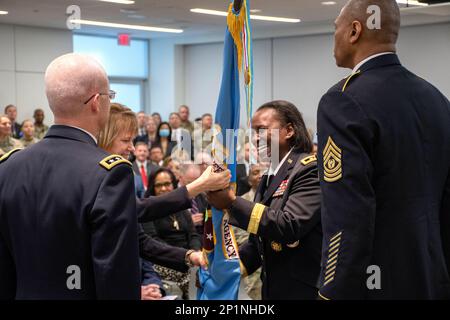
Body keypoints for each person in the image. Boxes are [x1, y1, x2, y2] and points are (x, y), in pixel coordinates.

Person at [316, 0, 450, 300]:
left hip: (372, 283)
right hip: (431, 276)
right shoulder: (437, 99)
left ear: (354, 31)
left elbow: (347, 215)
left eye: (334, 27)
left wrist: (332, 291)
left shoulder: (343, 101)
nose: (333, 36)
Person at [0, 53, 140, 299]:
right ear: (97, 101)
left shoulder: (8, 166)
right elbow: (115, 274)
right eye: (110, 96)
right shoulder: (109, 174)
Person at [97, 103, 231, 280]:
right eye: (125, 140)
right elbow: (140, 209)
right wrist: (200, 185)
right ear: (105, 138)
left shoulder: (116, 170)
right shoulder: (103, 174)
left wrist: (190, 256)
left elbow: (140, 240)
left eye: (132, 140)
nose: (132, 148)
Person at [207, 100, 322, 300]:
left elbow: (289, 225)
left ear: (288, 131)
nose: (255, 138)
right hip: (273, 288)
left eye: (262, 130)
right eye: (253, 132)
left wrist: (232, 203)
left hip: (303, 290)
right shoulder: (270, 176)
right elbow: (258, 242)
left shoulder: (309, 169)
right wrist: (222, 273)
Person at [142, 168, 202, 299]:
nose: (164, 188)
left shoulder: (181, 208)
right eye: (159, 185)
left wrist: (195, 251)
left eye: (167, 184)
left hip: (188, 256)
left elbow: (193, 235)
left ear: (173, 185)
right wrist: (183, 255)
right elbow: (153, 240)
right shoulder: (148, 211)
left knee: (205, 269)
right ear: (152, 187)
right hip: (162, 258)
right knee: (193, 275)